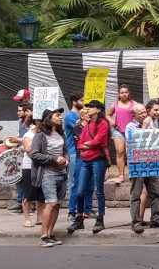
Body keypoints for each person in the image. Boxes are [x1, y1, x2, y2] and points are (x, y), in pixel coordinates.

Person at [68, 100, 109, 235]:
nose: (88, 109)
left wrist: (88, 144)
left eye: (91, 107)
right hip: (86, 159)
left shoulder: (103, 123)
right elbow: (80, 143)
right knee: (80, 190)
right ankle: (79, 218)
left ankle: (100, 219)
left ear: (98, 109)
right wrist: (88, 145)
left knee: (99, 191)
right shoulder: (88, 124)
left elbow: (99, 140)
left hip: (98, 159)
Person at [29, 109, 67, 247]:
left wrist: (66, 160)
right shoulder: (40, 136)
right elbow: (34, 154)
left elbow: (65, 151)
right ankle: (44, 236)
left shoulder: (61, 134)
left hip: (62, 174)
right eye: (57, 115)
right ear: (48, 118)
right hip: (48, 174)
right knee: (51, 203)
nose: (60, 117)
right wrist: (53, 158)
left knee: (57, 205)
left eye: (60, 115)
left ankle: (51, 234)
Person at [127, 102, 159, 233]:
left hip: (152, 162)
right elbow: (137, 142)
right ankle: (136, 222)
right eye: (141, 113)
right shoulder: (130, 127)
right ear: (134, 115)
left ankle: (156, 219)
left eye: (144, 112)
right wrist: (144, 126)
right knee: (136, 194)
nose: (144, 115)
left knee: (156, 191)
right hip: (138, 164)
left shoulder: (153, 124)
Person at [63, 94, 92, 222]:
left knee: (89, 183)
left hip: (86, 152)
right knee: (76, 182)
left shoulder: (84, 115)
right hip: (75, 152)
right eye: (82, 100)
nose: (84, 102)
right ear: (74, 102)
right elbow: (82, 129)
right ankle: (72, 211)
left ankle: (87, 210)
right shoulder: (70, 116)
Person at [106, 85, 136, 184]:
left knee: (130, 154)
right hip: (118, 131)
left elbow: (141, 113)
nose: (124, 94)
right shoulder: (115, 104)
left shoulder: (134, 104)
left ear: (128, 94)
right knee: (120, 152)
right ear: (119, 94)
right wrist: (111, 121)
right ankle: (121, 175)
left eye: (126, 92)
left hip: (131, 132)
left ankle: (133, 174)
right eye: (122, 92)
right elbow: (107, 114)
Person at [20, 111, 44, 228]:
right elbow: (30, 152)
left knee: (41, 194)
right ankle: (26, 218)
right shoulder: (28, 135)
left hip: (42, 166)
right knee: (28, 193)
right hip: (29, 166)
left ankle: (40, 217)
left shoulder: (45, 134)